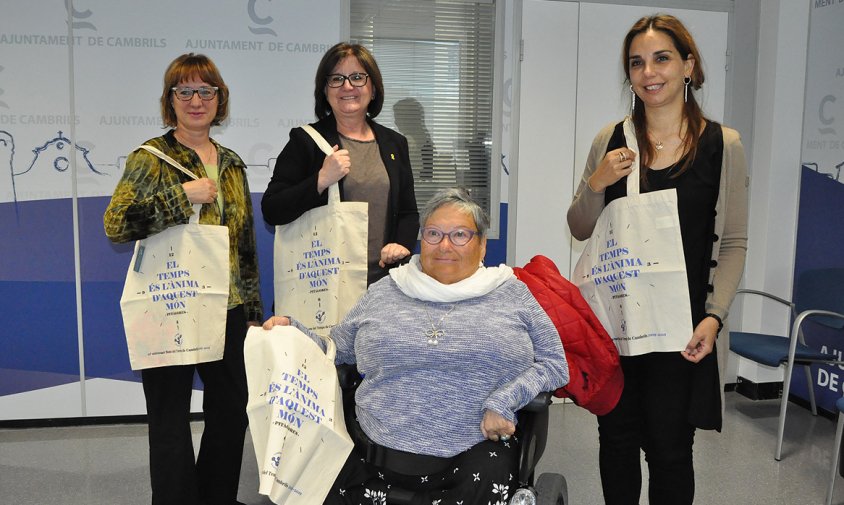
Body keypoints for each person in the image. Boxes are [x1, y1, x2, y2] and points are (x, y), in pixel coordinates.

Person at [264, 188, 569, 505]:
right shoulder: (387, 290)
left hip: (474, 447)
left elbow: (554, 364)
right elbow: (335, 350)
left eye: (460, 235)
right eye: (434, 234)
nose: (445, 245)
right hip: (373, 445)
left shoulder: (512, 294)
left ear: (481, 246)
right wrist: (292, 330)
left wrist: (505, 400)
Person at [567, 14, 748, 505]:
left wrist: (715, 317)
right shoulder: (610, 139)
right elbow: (579, 227)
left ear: (689, 65)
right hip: (618, 325)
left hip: (682, 328)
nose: (649, 72)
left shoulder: (721, 145)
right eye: (637, 63)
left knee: (670, 450)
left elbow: (733, 242)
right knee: (618, 441)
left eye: (662, 58)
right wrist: (597, 182)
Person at [104, 53, 262, 505]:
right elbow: (116, 224)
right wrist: (181, 196)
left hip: (227, 308)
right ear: (170, 100)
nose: (196, 100)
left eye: (206, 91)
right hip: (169, 305)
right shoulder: (150, 157)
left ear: (220, 99)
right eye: (185, 91)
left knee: (231, 412)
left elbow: (244, 244)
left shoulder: (231, 162)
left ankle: (216, 497)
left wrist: (253, 314)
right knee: (170, 418)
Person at [262, 42, 419, 286]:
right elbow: (272, 210)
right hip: (325, 284)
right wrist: (321, 180)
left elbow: (408, 212)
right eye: (336, 79)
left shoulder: (395, 143)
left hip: (383, 285)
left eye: (357, 77)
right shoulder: (305, 141)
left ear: (373, 88)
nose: (347, 86)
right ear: (325, 91)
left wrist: (402, 244)